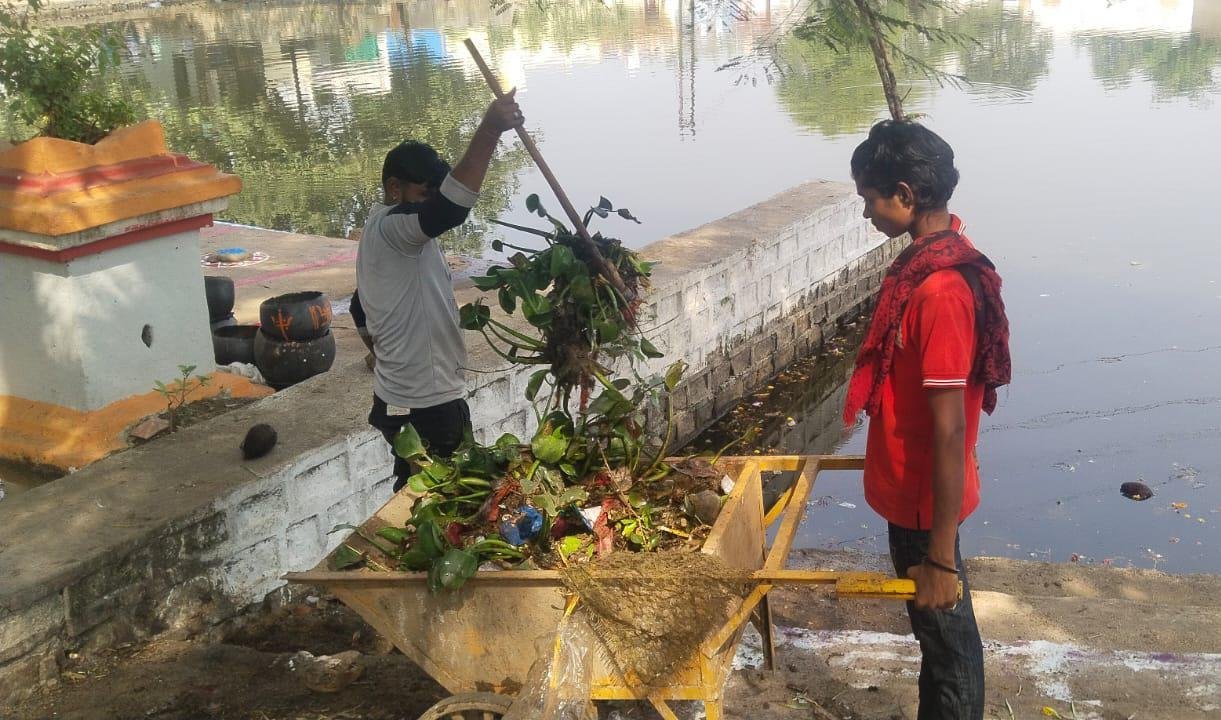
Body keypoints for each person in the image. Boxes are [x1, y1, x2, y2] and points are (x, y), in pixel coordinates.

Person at [843, 119, 1011, 720]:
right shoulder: (929, 262)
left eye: (870, 198)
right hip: (917, 493)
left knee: (952, 652)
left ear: (906, 196)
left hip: (923, 508)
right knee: (938, 647)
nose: (867, 213)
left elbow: (949, 431)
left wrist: (940, 557)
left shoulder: (938, 293)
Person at [356, 91, 523, 491]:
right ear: (393, 188)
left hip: (398, 398)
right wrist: (489, 130)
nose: (427, 206)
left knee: (417, 487)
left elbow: (360, 307)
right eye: (423, 193)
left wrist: (382, 352)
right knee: (448, 494)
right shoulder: (396, 228)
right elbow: (450, 210)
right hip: (424, 403)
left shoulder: (381, 232)